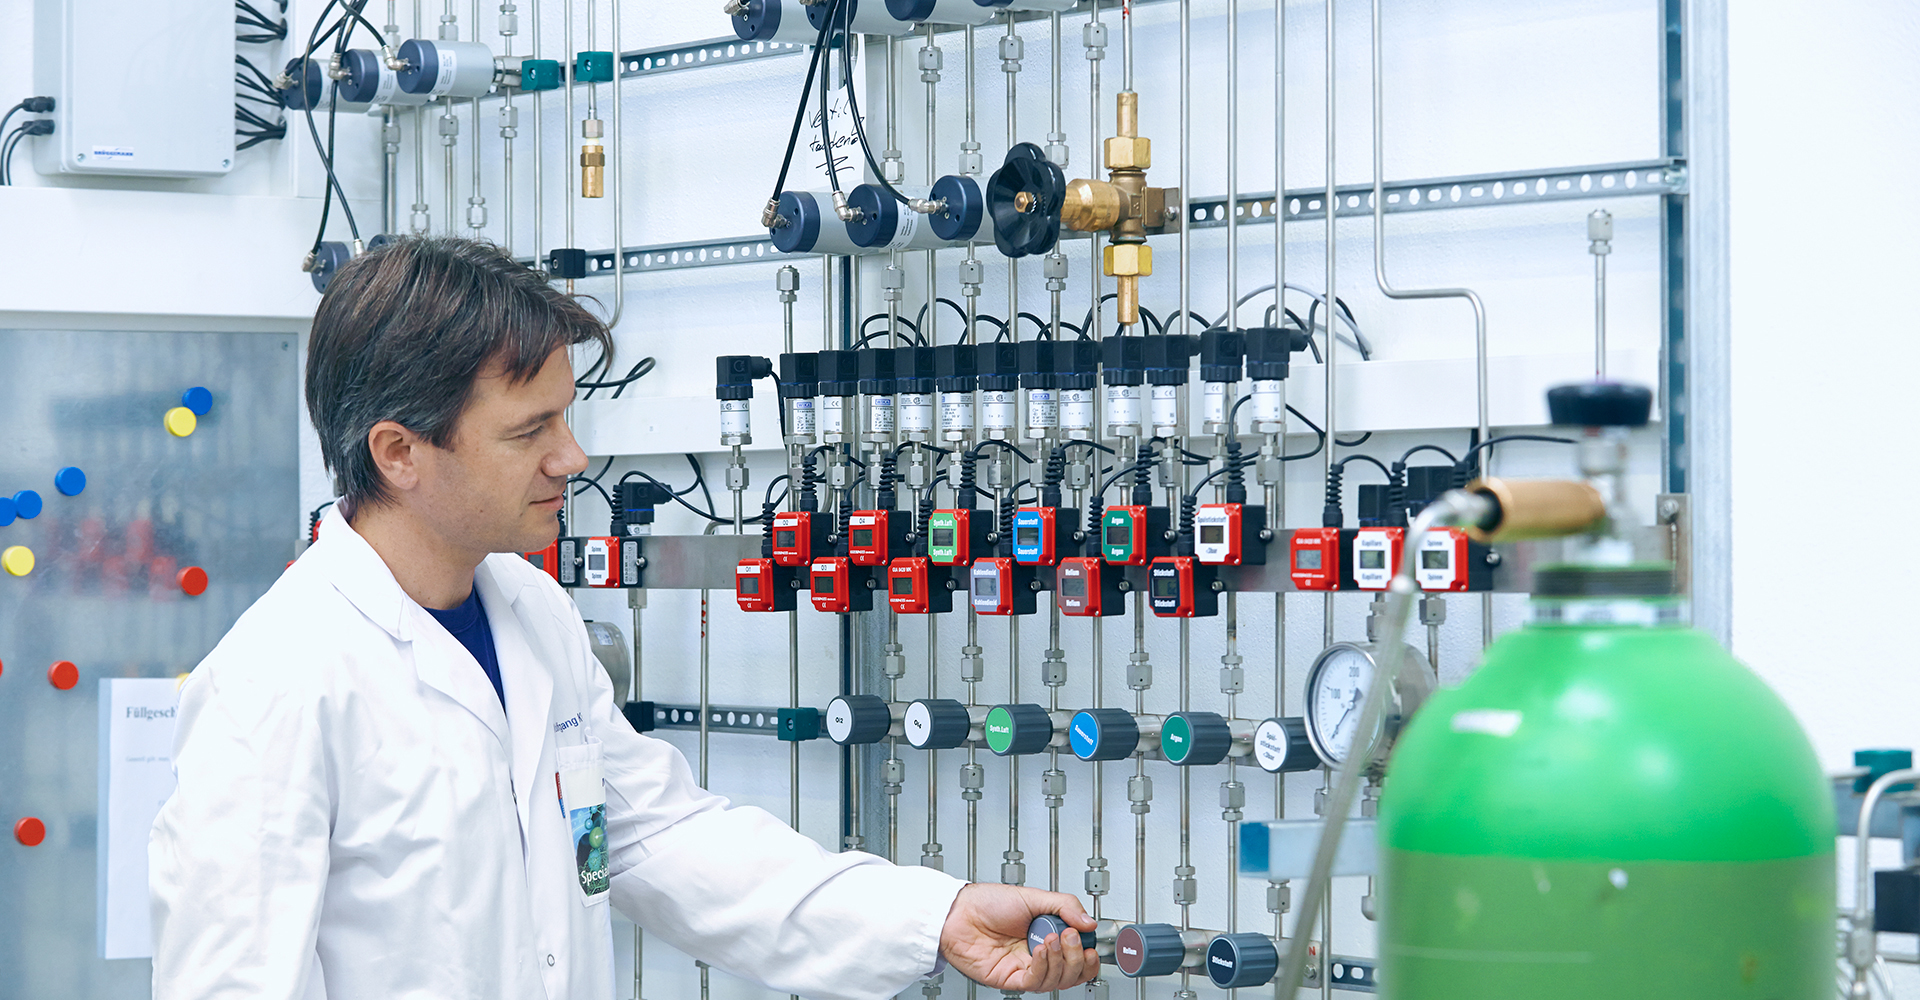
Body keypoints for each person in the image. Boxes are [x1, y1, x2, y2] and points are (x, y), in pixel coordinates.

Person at [149, 237, 1099, 1000]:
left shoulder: (532, 614)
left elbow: (656, 839)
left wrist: (934, 917)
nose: (572, 458)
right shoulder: (278, 683)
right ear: (400, 453)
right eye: (530, 431)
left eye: (565, 418)